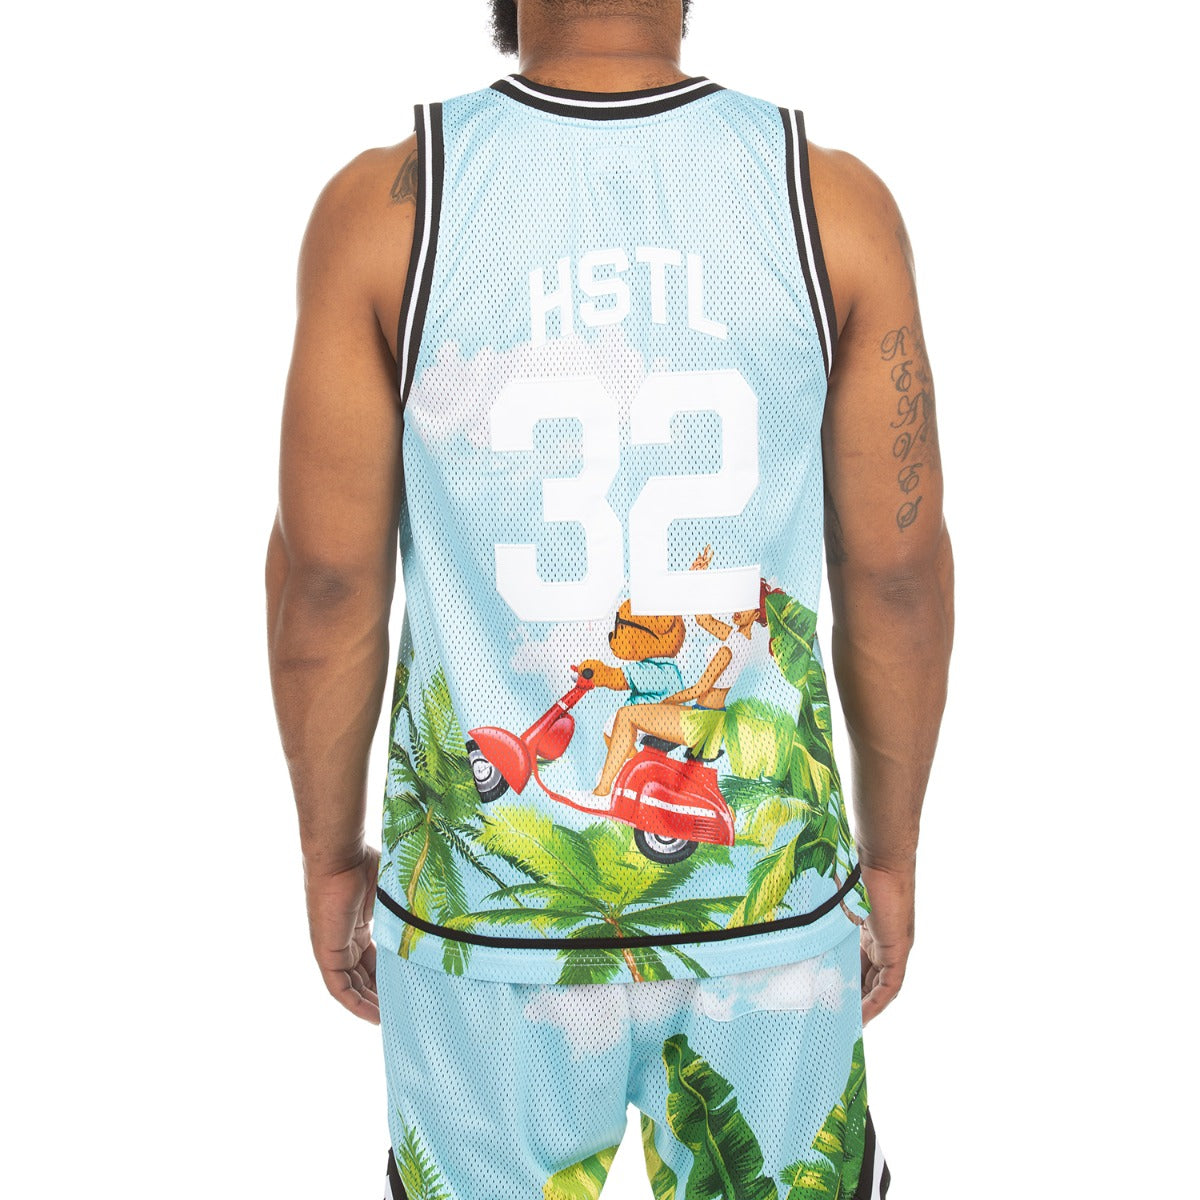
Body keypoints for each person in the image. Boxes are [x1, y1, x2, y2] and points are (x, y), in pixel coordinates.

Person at [265, 2, 953, 1196]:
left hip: (484, 916)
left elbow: (327, 586)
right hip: (765, 912)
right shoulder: (829, 203)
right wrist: (886, 856)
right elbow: (895, 577)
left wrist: (332, 859)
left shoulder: (390, 209)